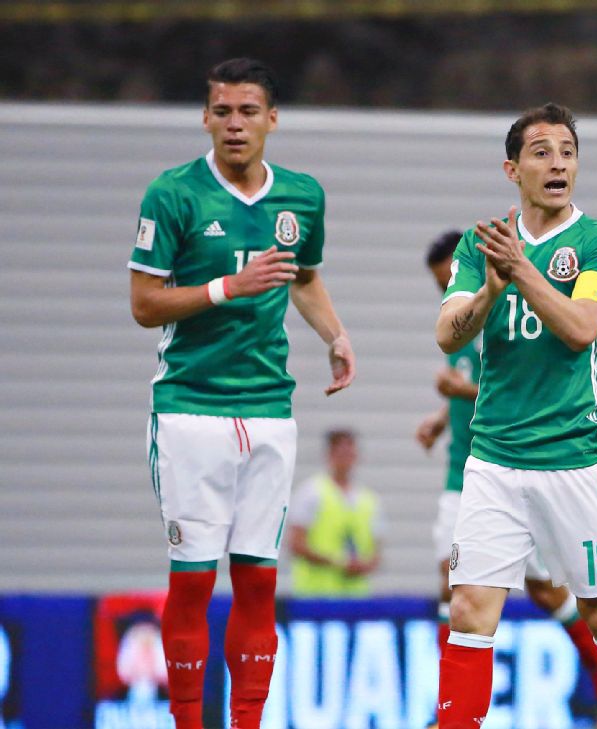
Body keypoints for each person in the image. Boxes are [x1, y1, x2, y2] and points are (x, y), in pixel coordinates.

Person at [128, 57, 355, 729]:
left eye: (248, 111)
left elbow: (302, 276)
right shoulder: (173, 195)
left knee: (258, 583)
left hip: (268, 412)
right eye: (222, 111)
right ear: (205, 118)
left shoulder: (303, 196)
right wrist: (231, 285)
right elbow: (144, 303)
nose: (235, 124)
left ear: (272, 119)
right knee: (194, 581)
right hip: (190, 407)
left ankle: (248, 722)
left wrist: (335, 334)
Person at [433, 103, 597, 729]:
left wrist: (521, 271)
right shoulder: (485, 246)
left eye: (567, 150)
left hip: (574, 457)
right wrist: (487, 292)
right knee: (470, 609)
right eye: (541, 150)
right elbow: (449, 334)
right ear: (512, 168)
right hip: (494, 459)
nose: (557, 162)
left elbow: (583, 328)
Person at [418, 229, 597, 728]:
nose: (448, 287)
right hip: (467, 474)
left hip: (520, 469)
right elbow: (470, 383)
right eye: (442, 283)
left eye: (450, 278)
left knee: (553, 594)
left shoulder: (510, 309)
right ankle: (450, 710)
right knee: (456, 590)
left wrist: (460, 393)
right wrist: (441, 418)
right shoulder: (464, 316)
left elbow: (511, 385)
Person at [288, 429, 383, 597]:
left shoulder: (369, 500)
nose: (346, 459)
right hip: (315, 596)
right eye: (341, 453)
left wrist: (364, 565)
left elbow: (376, 551)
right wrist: (338, 563)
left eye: (350, 453)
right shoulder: (311, 492)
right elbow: (296, 544)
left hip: (356, 597)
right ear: (329, 455)